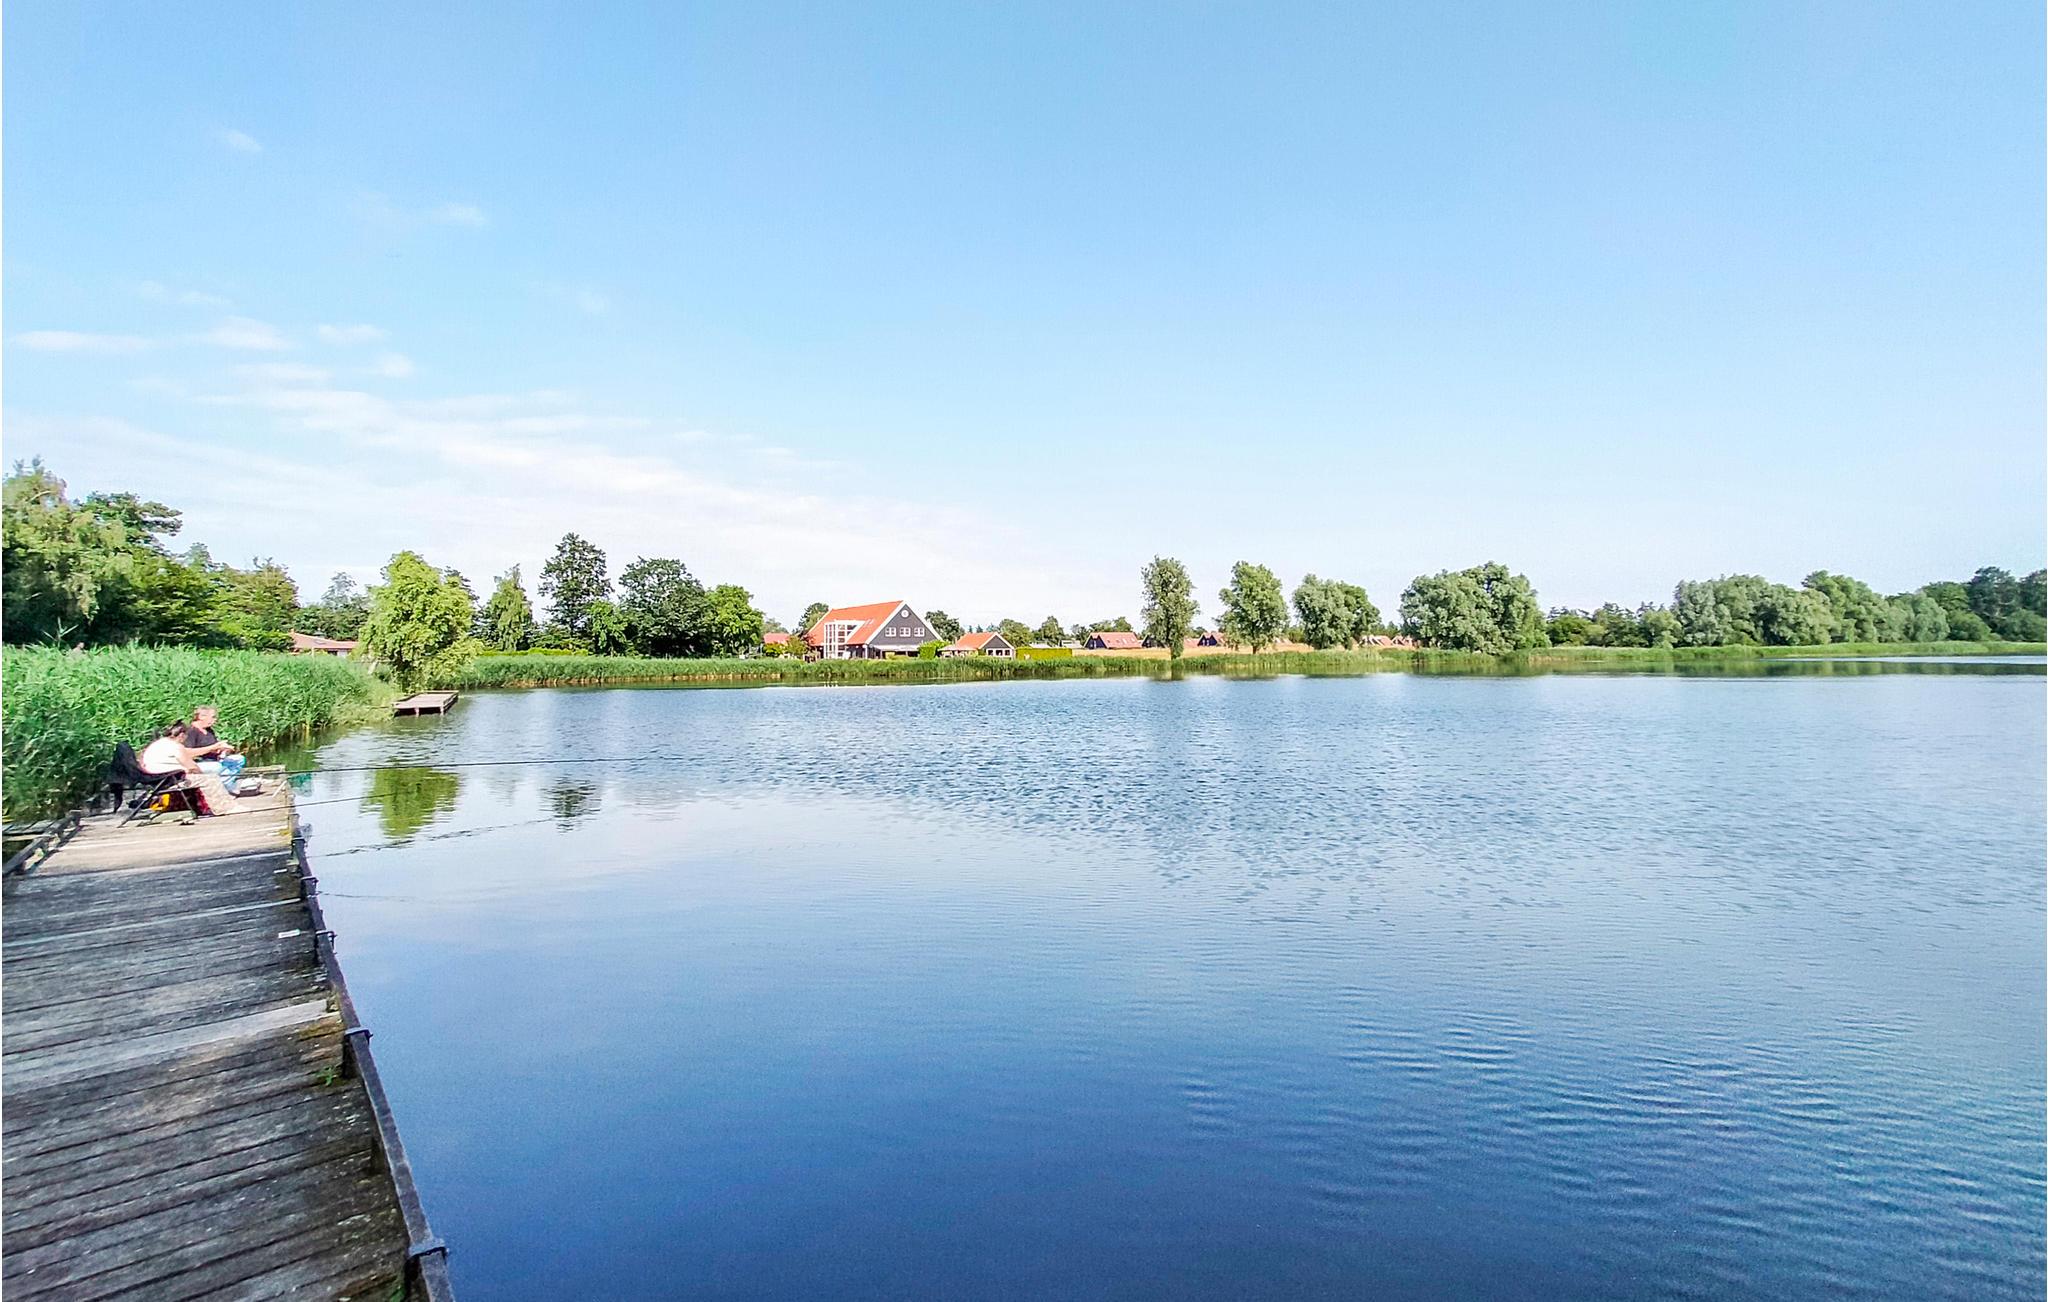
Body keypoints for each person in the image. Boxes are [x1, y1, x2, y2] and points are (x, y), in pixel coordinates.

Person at [137, 722, 240, 815]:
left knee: (197, 777)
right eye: (186, 735)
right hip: (169, 780)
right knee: (211, 779)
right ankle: (225, 808)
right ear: (182, 735)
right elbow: (192, 767)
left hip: (155, 779)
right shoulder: (176, 746)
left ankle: (196, 807)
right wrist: (201, 775)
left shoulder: (158, 744)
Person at [185, 705, 254, 794]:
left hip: (215, 759)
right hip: (198, 763)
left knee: (239, 759)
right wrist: (212, 748)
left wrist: (223, 749)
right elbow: (188, 753)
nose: (215, 720)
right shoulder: (191, 731)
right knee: (217, 767)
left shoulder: (209, 730)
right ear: (201, 717)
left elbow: (214, 747)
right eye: (213, 717)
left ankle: (226, 785)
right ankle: (227, 787)